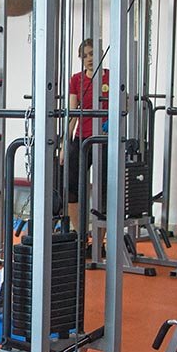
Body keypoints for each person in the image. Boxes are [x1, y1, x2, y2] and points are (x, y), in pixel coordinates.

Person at [65, 39, 109, 233]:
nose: (89, 59)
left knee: (106, 191)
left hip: (106, 140)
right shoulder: (76, 79)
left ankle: (100, 241)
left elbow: (124, 106)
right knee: (72, 187)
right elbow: (72, 113)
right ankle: (80, 236)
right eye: (84, 56)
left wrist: (111, 124)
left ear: (100, 53)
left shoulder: (111, 76)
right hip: (82, 139)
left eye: (92, 54)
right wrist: (64, 145)